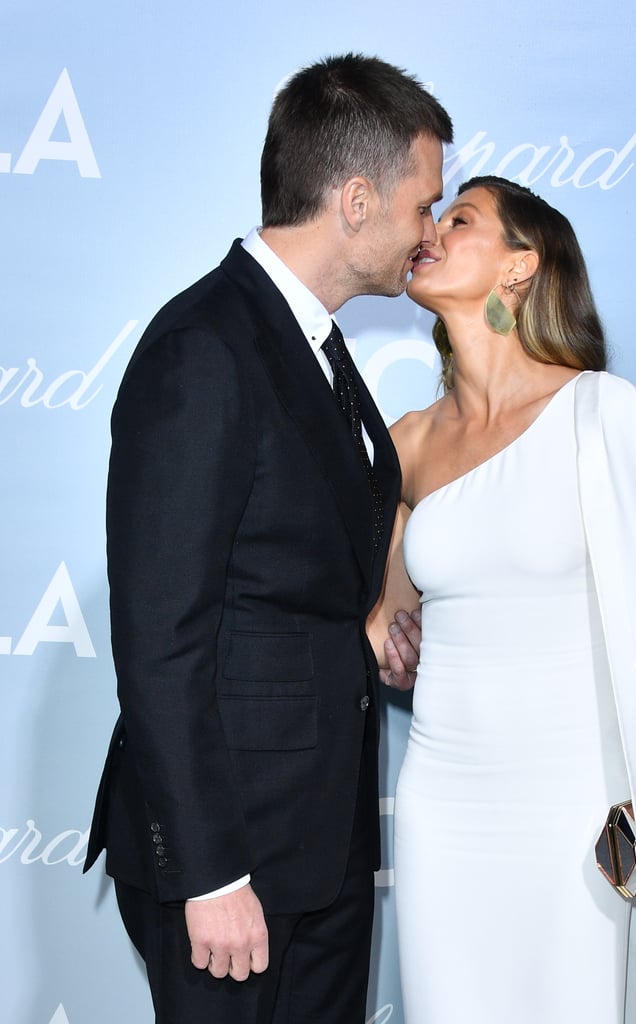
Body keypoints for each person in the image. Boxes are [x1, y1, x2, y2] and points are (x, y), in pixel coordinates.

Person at [83, 53, 452, 1024]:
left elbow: (290, 577)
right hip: (232, 859)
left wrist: (366, 629)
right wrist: (208, 871)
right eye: (423, 204)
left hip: (321, 845)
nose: (427, 234)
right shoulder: (205, 346)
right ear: (357, 198)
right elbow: (162, 635)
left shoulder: (316, 347)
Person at [368, 175, 636, 1022]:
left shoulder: (598, 413)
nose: (431, 230)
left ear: (519, 266)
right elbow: (385, 625)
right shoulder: (406, 441)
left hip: (573, 806)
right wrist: (379, 627)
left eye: (459, 219)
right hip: (444, 807)